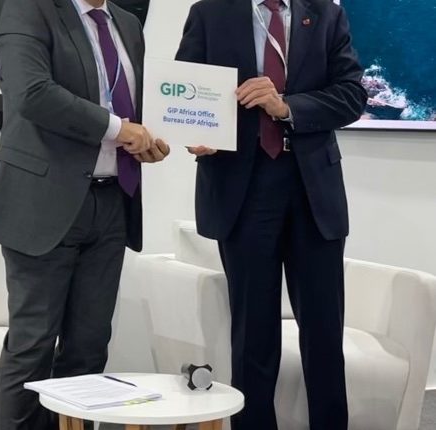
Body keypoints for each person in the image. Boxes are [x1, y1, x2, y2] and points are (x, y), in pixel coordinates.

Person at [0, 0, 169, 428]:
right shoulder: (29, 9)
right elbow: (31, 93)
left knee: (89, 348)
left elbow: (136, 107)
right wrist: (120, 129)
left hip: (113, 202)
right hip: (42, 204)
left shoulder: (127, 23)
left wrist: (153, 140)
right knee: (32, 347)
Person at [176, 0, 367, 429]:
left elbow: (352, 95)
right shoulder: (210, 13)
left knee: (323, 333)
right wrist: (193, 133)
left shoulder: (326, 14)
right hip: (242, 191)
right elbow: (181, 92)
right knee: (253, 338)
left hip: (313, 193)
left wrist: (287, 107)